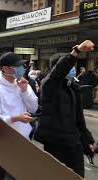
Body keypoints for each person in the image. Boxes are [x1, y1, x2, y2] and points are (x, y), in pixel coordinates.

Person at [34, 40, 95, 178]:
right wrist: (76, 52)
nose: (73, 69)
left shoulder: (72, 87)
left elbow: (79, 119)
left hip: (74, 142)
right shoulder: (49, 85)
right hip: (56, 143)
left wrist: (86, 140)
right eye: (71, 66)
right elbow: (58, 73)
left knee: (77, 176)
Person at [0, 52, 38, 180]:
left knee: (20, 175)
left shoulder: (22, 84)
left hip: (23, 140)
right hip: (2, 142)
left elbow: (33, 107)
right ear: (5, 69)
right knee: (0, 176)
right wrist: (16, 118)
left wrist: (24, 91)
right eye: (17, 66)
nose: (21, 69)